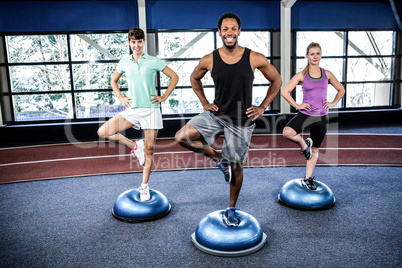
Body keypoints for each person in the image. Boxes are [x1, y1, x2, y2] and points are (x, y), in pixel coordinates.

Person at [175, 13, 282, 226]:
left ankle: (231, 207)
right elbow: (194, 79)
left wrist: (262, 106)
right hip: (217, 115)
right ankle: (218, 158)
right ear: (220, 32)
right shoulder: (209, 59)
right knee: (182, 136)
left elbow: (277, 80)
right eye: (225, 29)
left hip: (242, 121)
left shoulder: (254, 57)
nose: (229, 32)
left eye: (233, 28)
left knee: (237, 168)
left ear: (239, 31)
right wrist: (204, 102)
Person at [98, 27, 179, 201]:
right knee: (103, 131)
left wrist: (164, 96)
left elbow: (174, 77)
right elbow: (113, 80)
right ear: (129, 43)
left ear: (144, 42)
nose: (136, 45)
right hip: (133, 109)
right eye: (133, 42)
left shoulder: (153, 61)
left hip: (151, 109)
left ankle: (144, 186)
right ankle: (134, 146)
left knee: (149, 150)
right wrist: (120, 97)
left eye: (139, 41)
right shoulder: (124, 62)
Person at [281, 42, 345, 190]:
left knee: (315, 149)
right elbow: (284, 91)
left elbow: (340, 89)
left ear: (321, 55)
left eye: (318, 53)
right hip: (305, 114)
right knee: (287, 132)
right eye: (312, 54)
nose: (315, 56)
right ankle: (304, 145)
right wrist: (297, 105)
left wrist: (333, 103)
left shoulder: (327, 73)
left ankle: (308, 178)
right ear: (307, 56)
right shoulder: (302, 75)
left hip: (321, 116)